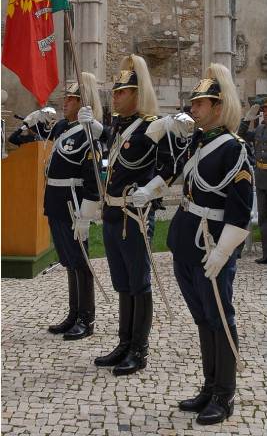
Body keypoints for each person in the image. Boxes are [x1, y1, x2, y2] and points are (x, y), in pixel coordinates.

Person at [80, 54, 189, 376]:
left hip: (135, 215)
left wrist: (151, 190)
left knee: (139, 284)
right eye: (114, 92)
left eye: (121, 92)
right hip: (113, 212)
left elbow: (172, 167)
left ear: (137, 95)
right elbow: (114, 159)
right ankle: (124, 342)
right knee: (122, 283)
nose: (114, 96)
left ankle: (139, 350)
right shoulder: (119, 125)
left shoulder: (154, 126)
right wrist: (94, 126)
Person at [167, 63, 253, 425]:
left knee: (220, 317)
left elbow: (241, 208)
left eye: (200, 103)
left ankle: (224, 394)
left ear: (218, 107)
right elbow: (178, 179)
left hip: (211, 245)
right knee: (203, 318)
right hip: (188, 243)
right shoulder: (198, 142)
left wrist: (223, 251)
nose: (194, 108)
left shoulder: (234, 148)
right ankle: (208, 386)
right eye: (194, 102)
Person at [25, 72, 103, 340]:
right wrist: (30, 123)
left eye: (70, 99)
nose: (64, 103)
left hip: (74, 203)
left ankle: (86, 318)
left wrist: (86, 215)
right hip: (56, 201)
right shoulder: (61, 128)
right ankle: (73, 314)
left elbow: (93, 177)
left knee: (81, 262)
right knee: (68, 261)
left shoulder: (90, 133)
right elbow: (26, 138)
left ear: (83, 103)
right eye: (66, 99)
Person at [238, 97, 267, 264]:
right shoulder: (260, 130)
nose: (264, 114)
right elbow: (240, 136)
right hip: (262, 178)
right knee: (263, 219)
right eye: (263, 111)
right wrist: (246, 120)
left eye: (266, 111)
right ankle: (266, 254)